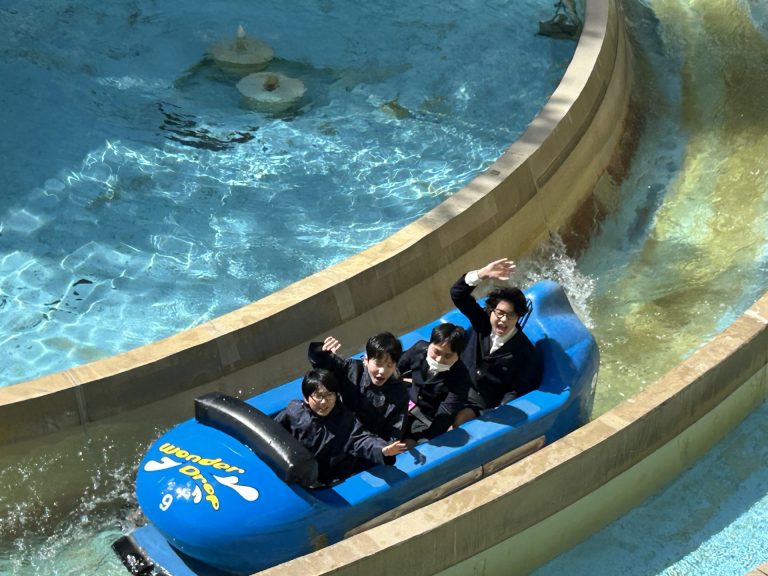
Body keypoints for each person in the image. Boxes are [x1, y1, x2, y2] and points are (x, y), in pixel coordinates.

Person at [274, 369, 407, 485]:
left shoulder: (346, 421)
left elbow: (363, 440)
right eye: (318, 396)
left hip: (324, 479)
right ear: (306, 398)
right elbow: (273, 428)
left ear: (336, 395)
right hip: (295, 466)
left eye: (329, 395)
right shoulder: (295, 410)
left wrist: (382, 450)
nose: (324, 402)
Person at [450, 258, 542, 425]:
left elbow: (517, 388)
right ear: (491, 310)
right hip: (455, 381)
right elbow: (458, 294)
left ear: (518, 317)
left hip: (479, 401)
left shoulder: (526, 351)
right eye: (500, 313)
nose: (503, 320)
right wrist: (482, 274)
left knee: (459, 419)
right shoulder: (482, 323)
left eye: (511, 315)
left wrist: (502, 408)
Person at [308, 332, 409, 441]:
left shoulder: (399, 393)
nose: (382, 371)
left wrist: (383, 448)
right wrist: (321, 350)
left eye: (389, 365)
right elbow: (321, 363)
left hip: (368, 444)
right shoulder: (351, 369)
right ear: (366, 360)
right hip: (336, 432)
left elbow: (394, 432)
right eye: (378, 364)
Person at [397, 323, 472, 442]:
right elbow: (396, 369)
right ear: (430, 344)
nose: (439, 359)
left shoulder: (461, 378)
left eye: (448, 356)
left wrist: (427, 438)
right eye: (436, 352)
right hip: (406, 402)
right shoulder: (419, 349)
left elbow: (446, 413)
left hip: (427, 418)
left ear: (458, 355)